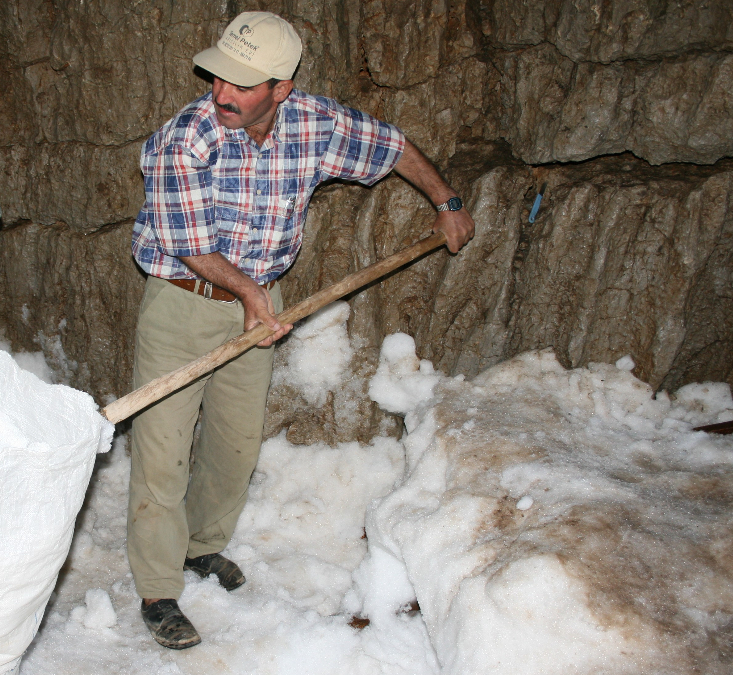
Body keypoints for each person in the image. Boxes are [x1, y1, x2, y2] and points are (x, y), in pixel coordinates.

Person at [128, 11, 475, 649]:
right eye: (218, 77)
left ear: (280, 89)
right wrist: (254, 295)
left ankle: (202, 547)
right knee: (162, 450)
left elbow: (392, 145)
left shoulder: (314, 123)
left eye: (241, 83)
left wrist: (446, 201)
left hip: (259, 301)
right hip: (183, 299)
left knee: (234, 445)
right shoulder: (186, 140)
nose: (221, 94)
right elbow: (187, 244)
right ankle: (157, 590)